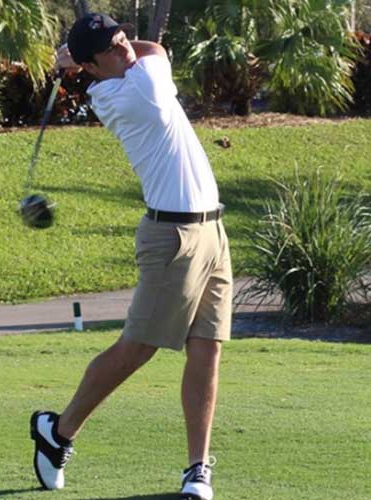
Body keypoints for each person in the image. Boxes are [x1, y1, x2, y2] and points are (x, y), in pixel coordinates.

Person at [29, 13, 234, 500]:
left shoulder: (118, 80)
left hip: (212, 229)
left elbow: (142, 54)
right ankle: (58, 432)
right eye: (113, 48)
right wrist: (75, 61)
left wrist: (73, 61)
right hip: (173, 237)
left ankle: (196, 470)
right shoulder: (135, 92)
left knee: (207, 349)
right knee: (137, 347)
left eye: (122, 38)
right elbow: (157, 51)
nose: (125, 48)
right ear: (94, 66)